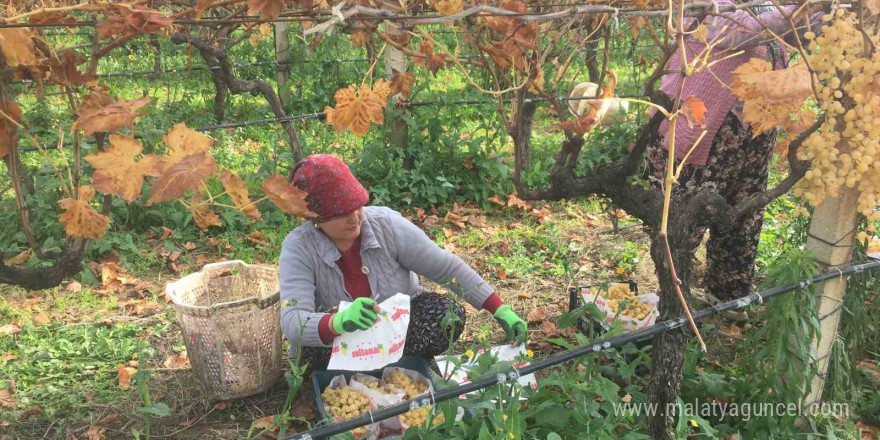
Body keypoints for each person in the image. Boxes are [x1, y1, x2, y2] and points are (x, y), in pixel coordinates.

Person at [278, 154, 528, 370]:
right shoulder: (298, 248)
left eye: (357, 206)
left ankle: (399, 363)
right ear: (315, 218)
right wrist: (337, 321)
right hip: (341, 339)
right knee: (307, 350)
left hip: (397, 326)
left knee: (446, 315)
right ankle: (366, 367)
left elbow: (445, 267)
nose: (354, 218)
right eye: (341, 214)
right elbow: (293, 321)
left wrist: (500, 308)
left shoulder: (386, 225)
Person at [649, 0, 822, 302]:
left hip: (752, 133)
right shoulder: (709, 4)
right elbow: (743, 31)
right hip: (703, 134)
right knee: (687, 214)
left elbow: (796, 30)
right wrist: (806, 8)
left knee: (744, 213)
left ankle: (728, 297)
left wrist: (832, 13)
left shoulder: (766, 3)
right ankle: (674, 301)